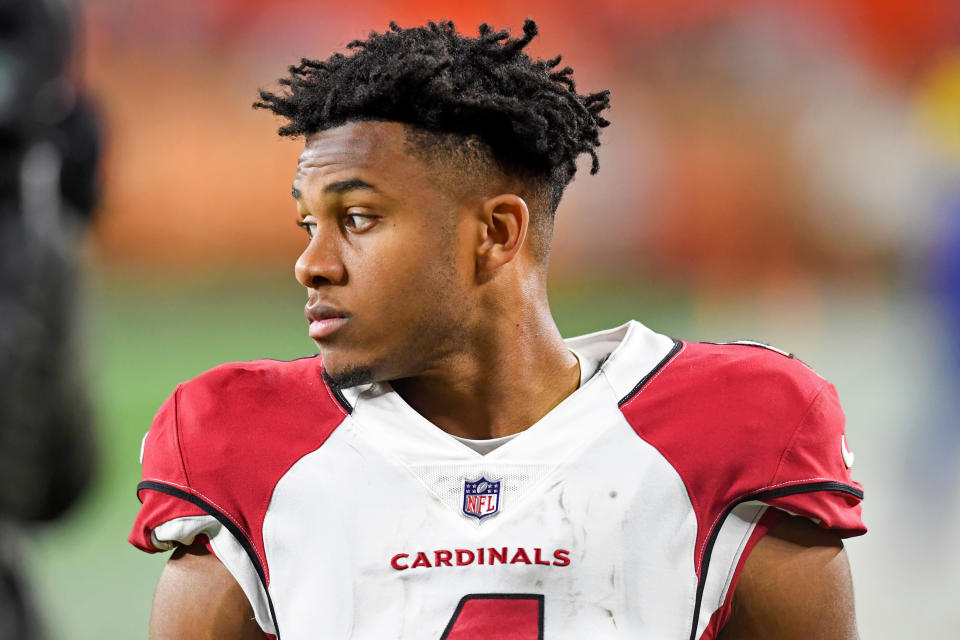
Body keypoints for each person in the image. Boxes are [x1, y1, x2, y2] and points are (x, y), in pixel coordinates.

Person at [129, 20, 865, 640]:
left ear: (496, 232)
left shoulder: (737, 431)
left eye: (356, 220)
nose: (311, 264)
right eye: (307, 224)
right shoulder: (240, 444)